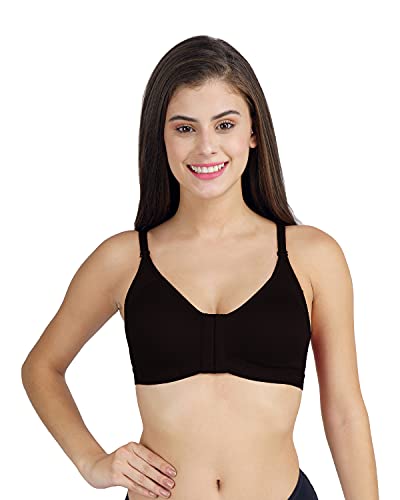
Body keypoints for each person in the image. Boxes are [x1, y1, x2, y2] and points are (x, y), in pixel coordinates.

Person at [21, 35, 379, 500]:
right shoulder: (123, 260)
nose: (207, 147)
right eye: (185, 128)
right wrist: (92, 462)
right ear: (161, 137)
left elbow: (345, 412)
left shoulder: (312, 256)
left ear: (253, 132)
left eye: (224, 124)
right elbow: (42, 367)